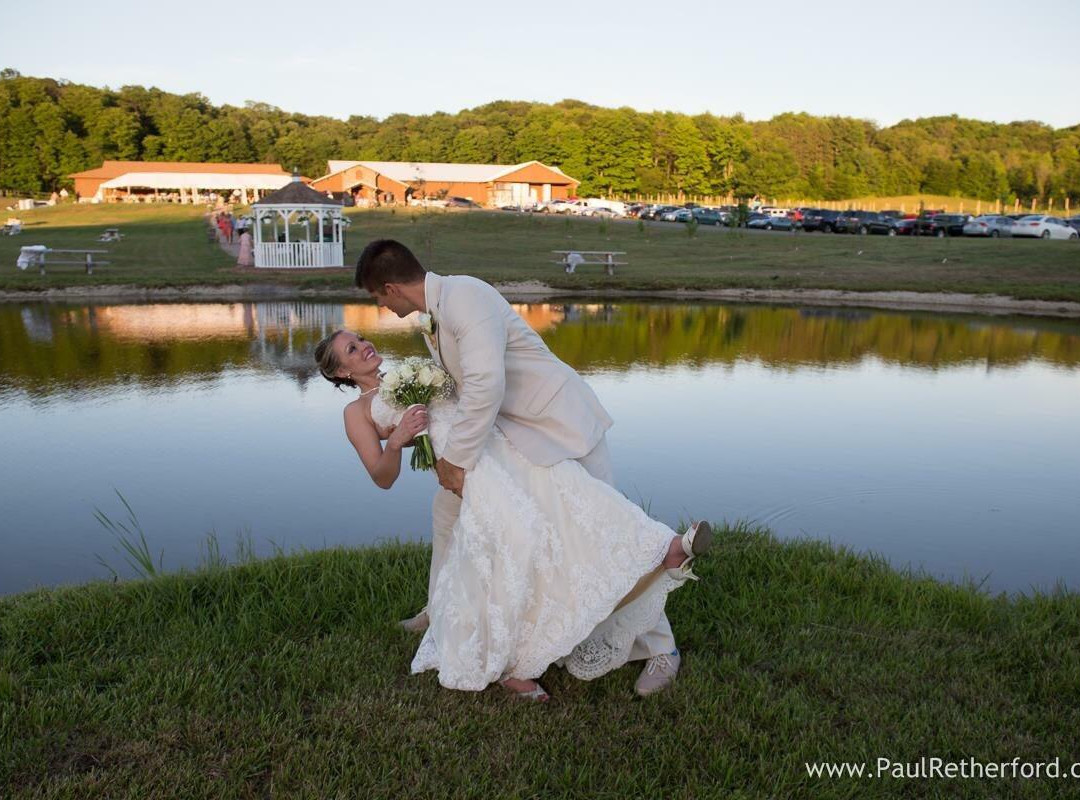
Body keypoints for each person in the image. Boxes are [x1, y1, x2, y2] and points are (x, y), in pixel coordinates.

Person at [352, 239, 700, 696]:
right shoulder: (434, 315)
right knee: (488, 526)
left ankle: (661, 649)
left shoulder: (465, 297)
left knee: (598, 534)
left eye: (376, 297)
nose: (378, 305)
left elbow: (486, 385)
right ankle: (481, 623)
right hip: (518, 442)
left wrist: (455, 461)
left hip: (561, 425)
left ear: (392, 288)